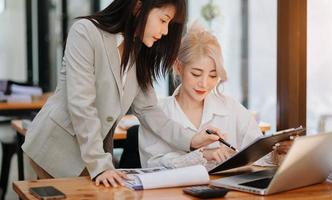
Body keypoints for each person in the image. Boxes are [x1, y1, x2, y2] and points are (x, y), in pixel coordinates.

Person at [22, 0, 221, 188]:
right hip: (55, 150)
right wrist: (100, 166)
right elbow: (81, 105)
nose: (165, 31)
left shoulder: (138, 51)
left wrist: (192, 139)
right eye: (163, 20)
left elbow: (150, 111)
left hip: (94, 156)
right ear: (138, 5)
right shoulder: (86, 32)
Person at [139, 24, 290, 169]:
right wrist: (203, 155)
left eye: (213, 75)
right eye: (196, 74)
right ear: (179, 67)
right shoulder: (157, 113)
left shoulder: (230, 108)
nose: (204, 84)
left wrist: (277, 153)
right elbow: (152, 165)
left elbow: (258, 155)